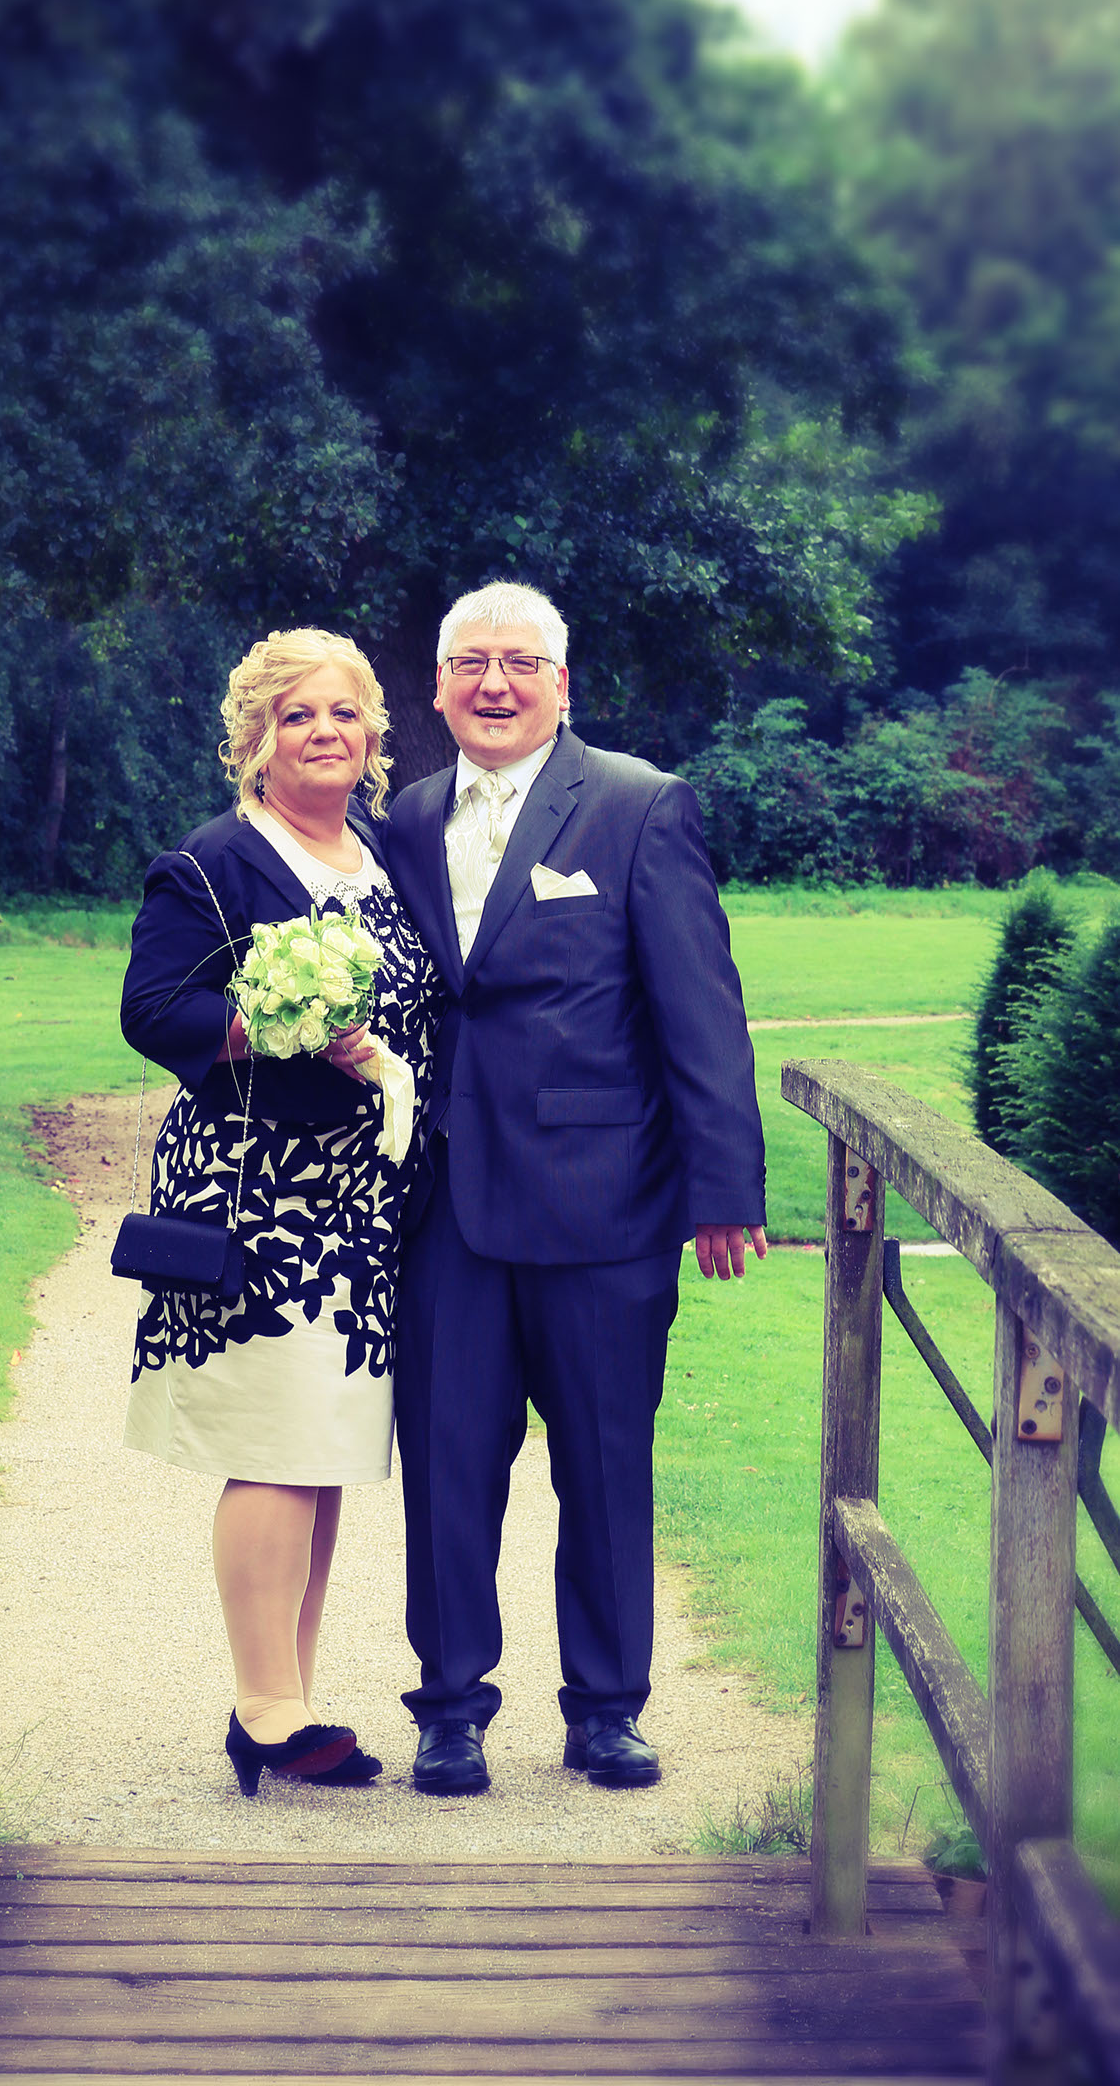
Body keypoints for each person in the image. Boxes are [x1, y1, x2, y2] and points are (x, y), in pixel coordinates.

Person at [382, 582, 766, 1797]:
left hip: (603, 1204)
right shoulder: (403, 818)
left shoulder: (639, 805)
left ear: (561, 682)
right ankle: (449, 1709)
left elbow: (699, 1012)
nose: (492, 683)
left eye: (518, 662)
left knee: (603, 1465)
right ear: (438, 684)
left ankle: (605, 1710)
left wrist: (723, 1188)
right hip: (443, 1206)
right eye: (469, 663)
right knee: (446, 1468)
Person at [120, 628, 443, 1796]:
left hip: (362, 1208)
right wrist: (274, 1023)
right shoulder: (212, 863)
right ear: (256, 736)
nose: (324, 732)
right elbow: (152, 1008)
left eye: (344, 712)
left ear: (373, 734)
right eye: (297, 713)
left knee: (321, 1445)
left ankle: (283, 1697)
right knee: (272, 1441)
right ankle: (267, 1705)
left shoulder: (381, 853)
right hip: (258, 1201)